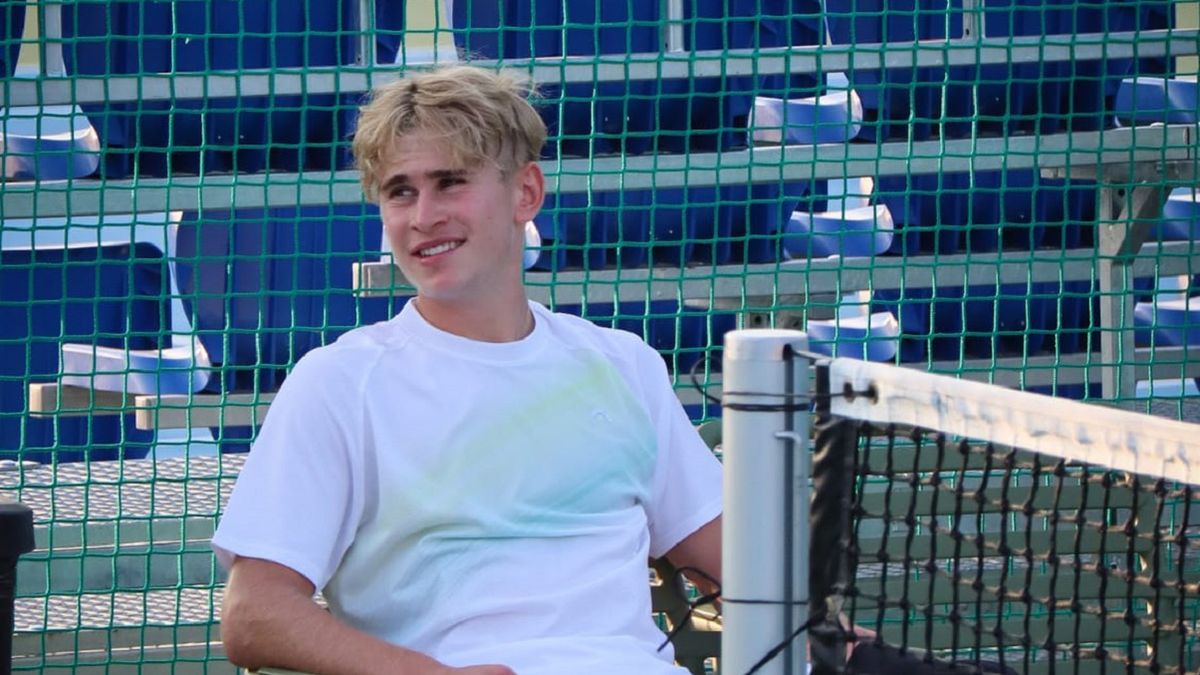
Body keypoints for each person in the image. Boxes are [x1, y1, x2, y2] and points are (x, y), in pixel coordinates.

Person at [213, 65, 723, 675]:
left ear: (525, 193)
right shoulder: (339, 383)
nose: (423, 216)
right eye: (400, 191)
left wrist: (819, 622)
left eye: (450, 182)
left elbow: (739, 564)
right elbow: (254, 614)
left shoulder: (622, 364)